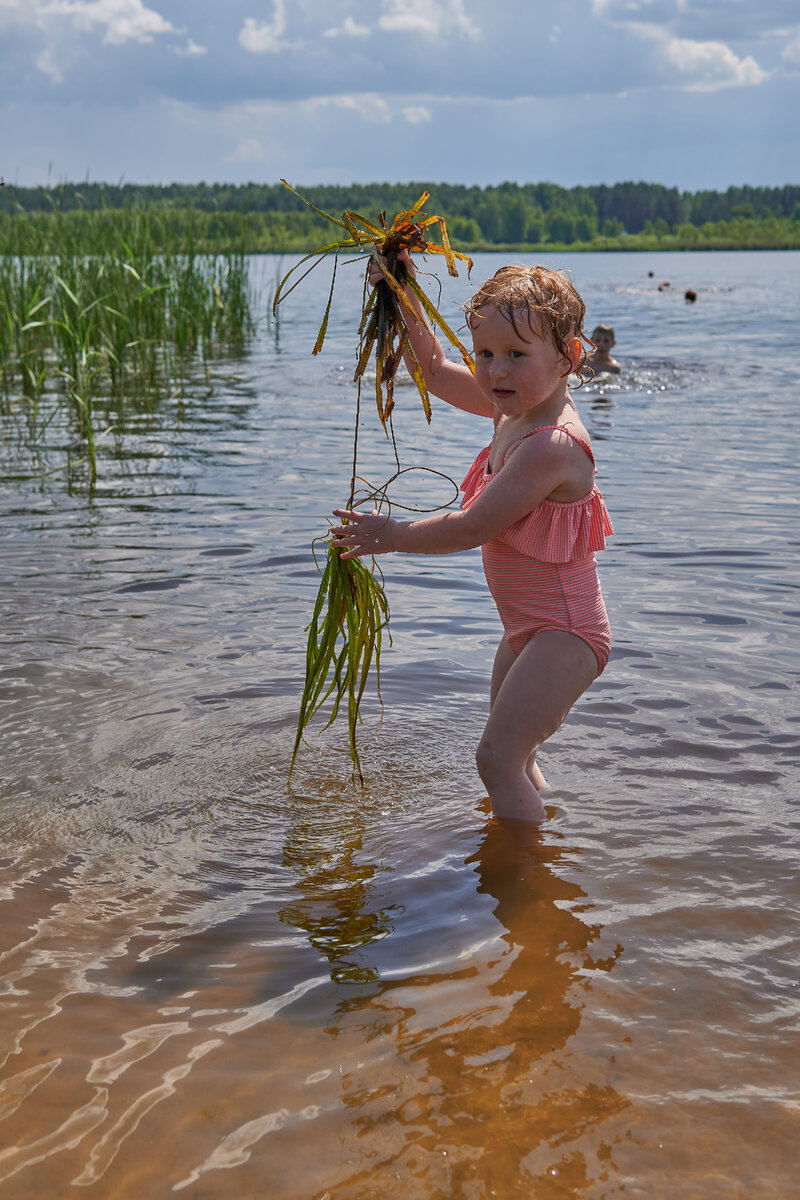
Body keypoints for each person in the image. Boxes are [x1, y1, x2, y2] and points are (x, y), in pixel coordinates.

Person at [330, 260, 613, 826]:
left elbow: (473, 527)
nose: (494, 371)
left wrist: (389, 535)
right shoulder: (515, 408)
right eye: (484, 353)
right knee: (515, 755)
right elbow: (433, 369)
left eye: (515, 354)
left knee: (495, 759)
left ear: (569, 358)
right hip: (527, 631)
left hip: (567, 633)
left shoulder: (550, 443)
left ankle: (523, 879)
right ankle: (541, 839)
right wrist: (401, 292)